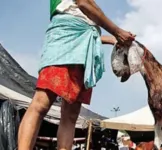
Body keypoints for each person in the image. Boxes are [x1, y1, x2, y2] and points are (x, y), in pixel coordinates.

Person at [18, 0, 136, 150]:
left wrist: (112, 39)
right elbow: (83, 3)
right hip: (65, 34)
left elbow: (87, 23)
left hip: (86, 42)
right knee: (41, 103)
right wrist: (118, 32)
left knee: (71, 114)